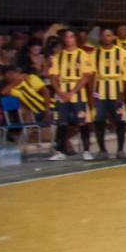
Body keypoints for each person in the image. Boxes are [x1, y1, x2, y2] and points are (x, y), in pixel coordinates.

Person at [47, 28, 94, 161]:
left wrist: (72, 92)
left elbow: (85, 76)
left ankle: (86, 150)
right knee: (61, 123)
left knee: (82, 122)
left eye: (71, 37)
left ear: (75, 39)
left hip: (77, 92)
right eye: (66, 37)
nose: (68, 39)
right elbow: (53, 76)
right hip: (61, 92)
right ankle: (60, 150)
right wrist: (60, 91)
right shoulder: (58, 56)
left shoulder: (83, 55)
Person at [91, 27, 126, 159]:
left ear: (113, 37)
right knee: (99, 121)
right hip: (100, 93)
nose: (107, 38)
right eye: (104, 35)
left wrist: (123, 94)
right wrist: (92, 95)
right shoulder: (95, 54)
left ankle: (120, 149)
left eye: (109, 35)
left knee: (119, 122)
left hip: (116, 91)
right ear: (101, 38)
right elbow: (92, 75)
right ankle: (102, 150)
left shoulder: (122, 53)